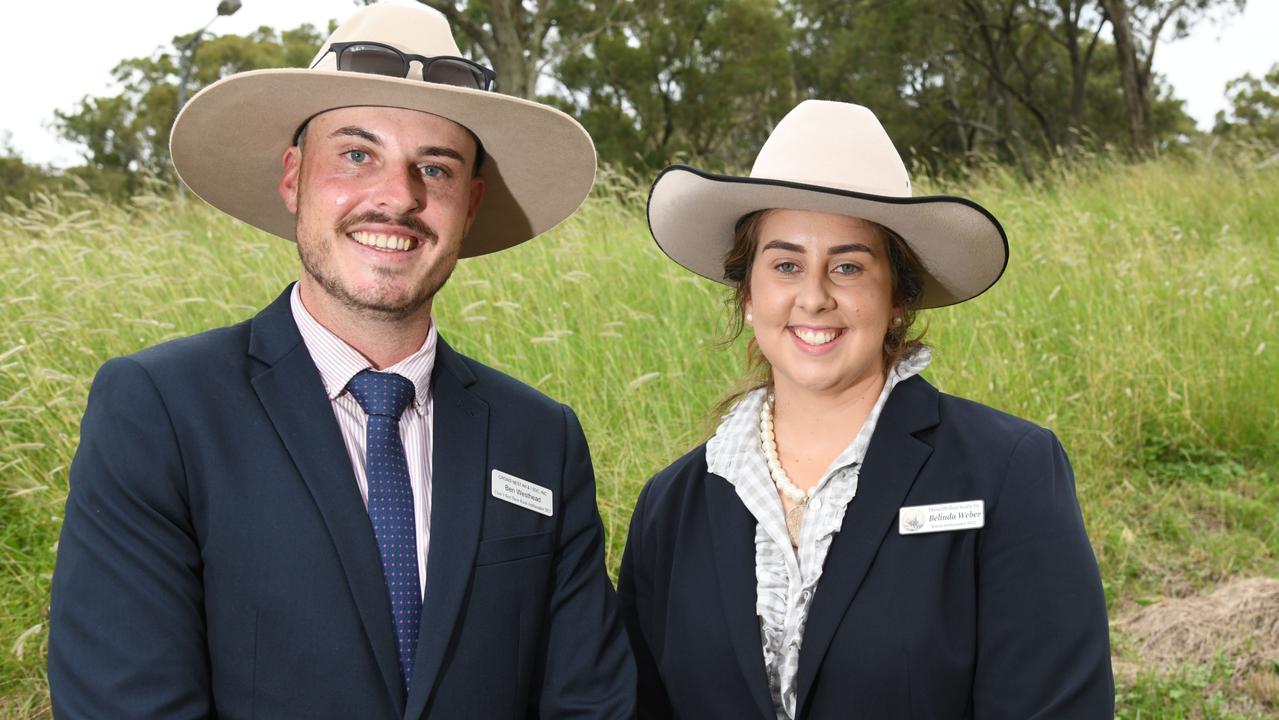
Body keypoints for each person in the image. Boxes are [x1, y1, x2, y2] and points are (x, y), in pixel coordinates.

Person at [47, 5, 634, 719]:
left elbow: (589, 701)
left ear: (470, 204)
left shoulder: (541, 438)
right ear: (293, 178)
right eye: (357, 155)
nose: (398, 196)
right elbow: (126, 703)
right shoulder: (160, 409)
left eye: (436, 168)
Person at [620, 100, 1113, 719]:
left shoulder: (1007, 472)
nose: (814, 296)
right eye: (786, 264)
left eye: (848, 266)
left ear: (899, 298)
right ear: (748, 295)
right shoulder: (670, 505)